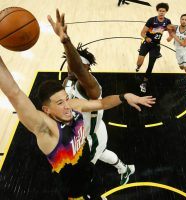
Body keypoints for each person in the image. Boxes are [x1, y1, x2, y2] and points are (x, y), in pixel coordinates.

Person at [0, 9, 155, 199]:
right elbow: (14, 93)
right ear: (47, 109)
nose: (67, 105)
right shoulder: (45, 125)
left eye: (66, 99)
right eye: (60, 102)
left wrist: (124, 96)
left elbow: (100, 99)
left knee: (96, 162)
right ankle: (122, 170)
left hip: (92, 138)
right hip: (74, 179)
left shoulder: (88, 90)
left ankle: (122, 169)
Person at [62, 44, 135, 186]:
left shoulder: (91, 87)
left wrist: (65, 41)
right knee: (101, 153)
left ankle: (86, 190)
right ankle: (124, 168)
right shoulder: (68, 82)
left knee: (83, 172)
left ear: (87, 68)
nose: (72, 67)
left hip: (91, 137)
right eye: (70, 63)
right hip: (85, 131)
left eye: (77, 65)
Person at [135, 2, 171, 93]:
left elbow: (169, 29)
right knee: (139, 62)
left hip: (156, 45)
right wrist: (146, 38)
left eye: (163, 11)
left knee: (151, 64)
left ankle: (144, 83)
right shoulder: (151, 20)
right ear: (157, 11)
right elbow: (142, 33)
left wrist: (170, 36)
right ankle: (138, 67)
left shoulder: (167, 21)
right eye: (160, 11)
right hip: (146, 43)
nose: (161, 12)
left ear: (166, 12)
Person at [166, 14, 186, 93]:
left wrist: (174, 35)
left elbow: (184, 44)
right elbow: (168, 35)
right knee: (181, 67)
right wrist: (170, 33)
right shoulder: (176, 28)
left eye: (185, 20)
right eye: (182, 19)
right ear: (180, 20)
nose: (184, 21)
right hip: (178, 51)